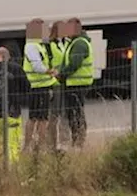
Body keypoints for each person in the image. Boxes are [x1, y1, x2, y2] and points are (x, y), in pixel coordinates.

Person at [22, 18, 58, 151]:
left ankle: (33, 146)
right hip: (38, 88)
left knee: (38, 118)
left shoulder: (39, 44)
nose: (47, 31)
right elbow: (37, 66)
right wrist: (50, 71)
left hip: (41, 87)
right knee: (39, 119)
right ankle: (33, 146)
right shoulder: (32, 45)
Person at [56, 18, 92, 148]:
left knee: (75, 113)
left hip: (77, 84)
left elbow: (74, 64)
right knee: (74, 112)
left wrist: (61, 74)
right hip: (74, 83)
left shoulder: (79, 44)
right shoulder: (75, 42)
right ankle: (77, 140)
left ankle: (78, 141)